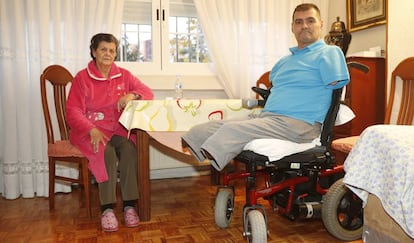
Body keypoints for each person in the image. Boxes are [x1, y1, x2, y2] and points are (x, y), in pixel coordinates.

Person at [181, 3, 350, 171]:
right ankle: (204, 149)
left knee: (232, 130)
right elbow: (275, 90)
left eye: (310, 20)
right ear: (292, 27)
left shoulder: (330, 52)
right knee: (203, 129)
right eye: (298, 22)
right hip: (268, 118)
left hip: (301, 124)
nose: (304, 25)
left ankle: (214, 153)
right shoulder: (283, 62)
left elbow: (336, 85)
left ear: (321, 24)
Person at [66, 33, 154, 232]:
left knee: (131, 149)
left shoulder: (124, 74)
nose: (108, 54)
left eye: (112, 50)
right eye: (103, 49)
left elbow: (148, 93)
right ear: (94, 52)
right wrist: (91, 129)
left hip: (118, 130)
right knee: (105, 153)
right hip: (91, 131)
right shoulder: (82, 78)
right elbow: (72, 111)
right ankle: (107, 209)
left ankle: (130, 205)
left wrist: (132, 94)